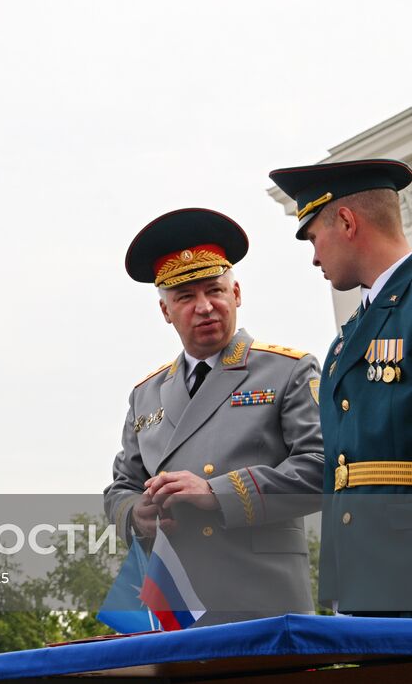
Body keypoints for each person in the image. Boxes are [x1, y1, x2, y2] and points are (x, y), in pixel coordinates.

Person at [104, 208, 324, 623]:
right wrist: (137, 514)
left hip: (263, 598)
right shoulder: (145, 395)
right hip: (177, 604)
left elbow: (321, 469)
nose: (204, 307)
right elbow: (119, 489)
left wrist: (217, 493)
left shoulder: (288, 370)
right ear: (166, 311)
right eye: (186, 297)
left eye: (215, 291)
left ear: (236, 294)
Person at [269, 158, 412, 613]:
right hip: (367, 586)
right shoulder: (348, 338)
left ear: (347, 221)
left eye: (314, 237)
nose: (314, 257)